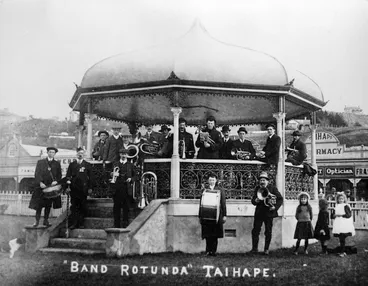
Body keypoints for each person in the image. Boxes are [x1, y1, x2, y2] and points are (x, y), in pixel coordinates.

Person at [250, 171, 283, 255]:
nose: (262, 182)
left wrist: (274, 207)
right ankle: (254, 249)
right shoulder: (257, 188)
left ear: (267, 181)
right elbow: (253, 200)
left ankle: (266, 249)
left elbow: (280, 199)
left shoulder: (272, 188)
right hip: (259, 213)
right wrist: (255, 200)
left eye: (264, 180)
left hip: (269, 213)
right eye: (261, 180)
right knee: (255, 231)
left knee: (268, 231)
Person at [29, 147, 62, 227]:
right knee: (39, 205)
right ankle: (37, 221)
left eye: (53, 152)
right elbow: (37, 173)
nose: (51, 153)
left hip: (51, 187)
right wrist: (40, 182)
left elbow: (59, 175)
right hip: (41, 187)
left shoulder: (57, 163)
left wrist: (56, 181)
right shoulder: (41, 162)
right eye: (50, 152)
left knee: (48, 205)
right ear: (47, 152)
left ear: (55, 154)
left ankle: (46, 220)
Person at [198, 174, 227, 256]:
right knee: (208, 233)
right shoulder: (205, 190)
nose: (212, 181)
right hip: (207, 214)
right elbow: (201, 203)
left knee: (215, 234)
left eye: (213, 180)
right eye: (210, 180)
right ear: (208, 181)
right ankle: (208, 251)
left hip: (217, 214)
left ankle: (213, 251)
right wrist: (200, 215)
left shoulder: (220, 190)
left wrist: (224, 215)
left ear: (216, 180)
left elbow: (223, 203)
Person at [66, 147, 94, 229]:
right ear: (76, 154)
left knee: (82, 206)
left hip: (83, 189)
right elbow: (68, 176)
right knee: (74, 206)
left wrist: (90, 188)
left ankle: (81, 223)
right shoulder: (72, 165)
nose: (80, 155)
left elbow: (91, 178)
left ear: (84, 154)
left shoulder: (87, 165)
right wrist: (67, 186)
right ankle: (74, 223)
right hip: (74, 189)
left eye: (82, 153)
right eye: (78, 153)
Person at [112, 148, 135, 228]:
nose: (123, 155)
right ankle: (116, 224)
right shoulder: (115, 164)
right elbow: (111, 175)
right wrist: (113, 174)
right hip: (117, 188)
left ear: (127, 155)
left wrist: (131, 179)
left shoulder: (131, 165)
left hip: (126, 188)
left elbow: (135, 176)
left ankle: (125, 224)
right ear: (120, 155)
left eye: (125, 154)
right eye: (122, 154)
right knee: (116, 207)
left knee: (126, 207)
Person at [331, 192, 355, 257]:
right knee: (341, 238)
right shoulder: (336, 206)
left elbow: (348, 215)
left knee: (342, 237)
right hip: (338, 223)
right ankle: (342, 250)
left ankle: (342, 251)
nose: (341, 200)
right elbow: (332, 215)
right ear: (337, 199)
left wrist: (341, 215)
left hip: (344, 223)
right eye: (339, 199)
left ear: (344, 199)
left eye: (342, 199)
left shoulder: (346, 206)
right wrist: (334, 215)